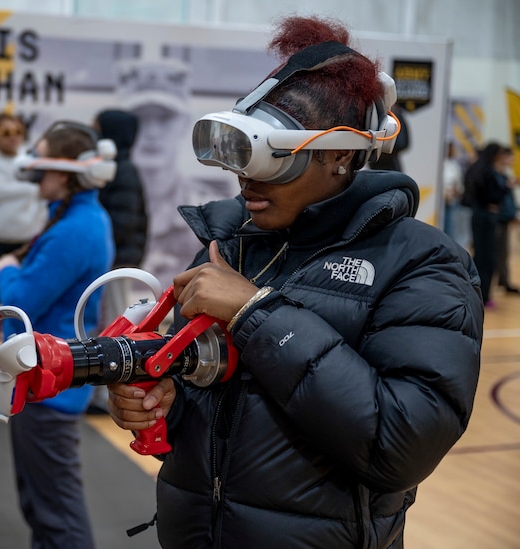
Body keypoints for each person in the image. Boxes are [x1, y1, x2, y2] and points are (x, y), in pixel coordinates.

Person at [106, 15, 482, 548]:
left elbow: (402, 446)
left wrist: (256, 314)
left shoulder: (422, 263)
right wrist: (166, 403)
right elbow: (216, 416)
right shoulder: (228, 246)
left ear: (341, 154)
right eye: (238, 155)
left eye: (272, 158)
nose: (245, 178)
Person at [0, 121, 115, 548]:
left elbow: (21, 301)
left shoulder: (72, 230)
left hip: (49, 385)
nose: (33, 174)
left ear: (62, 173)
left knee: (57, 512)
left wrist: (6, 269)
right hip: (42, 378)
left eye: (41, 164)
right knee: (41, 503)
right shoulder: (77, 218)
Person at [116, 58, 229, 286]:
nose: (152, 132)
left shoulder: (207, 211)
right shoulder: (100, 201)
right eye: (140, 118)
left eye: (165, 117)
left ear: (184, 123)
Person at [0, 112, 47, 401]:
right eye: (5, 132)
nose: (13, 136)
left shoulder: (29, 162)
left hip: (25, 246)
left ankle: (19, 372)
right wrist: (34, 187)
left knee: (25, 311)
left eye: (17, 130)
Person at [88, 108, 148, 414]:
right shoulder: (117, 167)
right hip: (115, 262)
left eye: (96, 127)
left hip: (114, 265)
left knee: (112, 328)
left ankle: (103, 398)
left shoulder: (120, 171)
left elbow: (122, 225)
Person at [463, 142, 514, 306]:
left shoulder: (477, 170)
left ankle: (479, 293)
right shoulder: (488, 172)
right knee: (487, 258)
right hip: (486, 218)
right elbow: (492, 197)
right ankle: (483, 296)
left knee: (482, 257)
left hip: (480, 216)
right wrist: (507, 187)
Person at [494, 146, 518, 294]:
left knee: (503, 251)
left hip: (504, 218)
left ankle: (504, 279)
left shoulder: (505, 174)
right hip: (498, 218)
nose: (512, 160)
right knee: (496, 251)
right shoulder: (496, 174)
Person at [368, 102, 410, 172]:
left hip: (391, 164)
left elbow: (402, 143)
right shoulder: (373, 117)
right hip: (375, 164)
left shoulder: (396, 118)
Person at [442, 141, 465, 243]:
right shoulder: (439, 163)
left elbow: (459, 184)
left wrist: (456, 191)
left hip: (452, 201)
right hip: (440, 201)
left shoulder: (454, 165)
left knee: (451, 229)